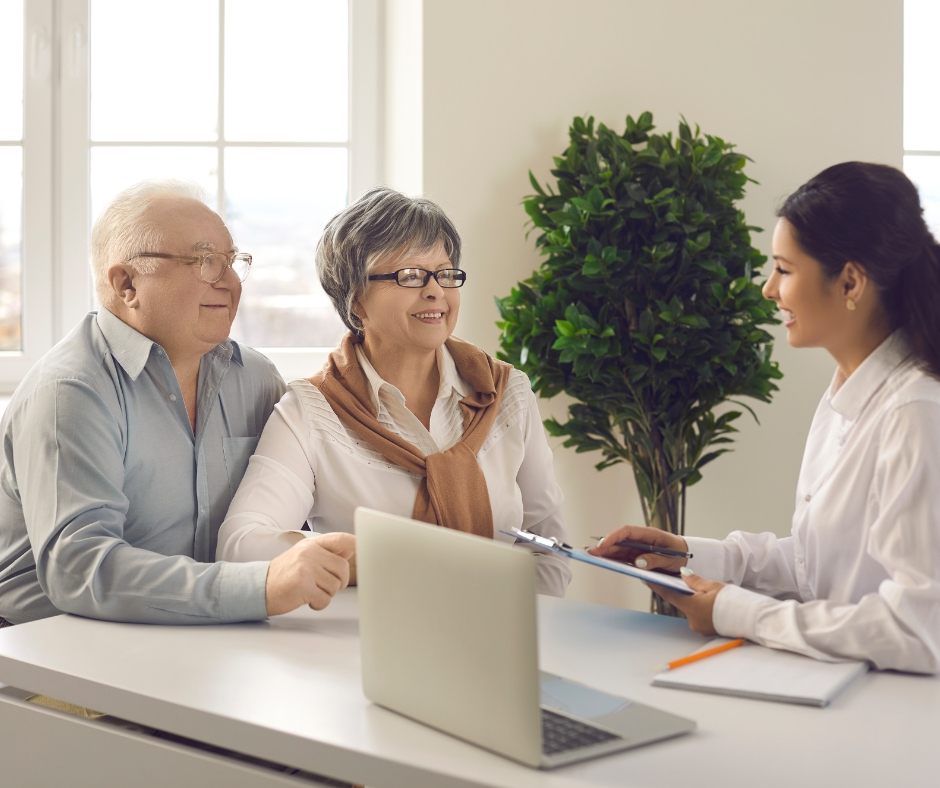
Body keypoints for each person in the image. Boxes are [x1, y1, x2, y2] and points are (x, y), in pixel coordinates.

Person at [591, 162, 940, 674]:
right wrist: (690, 556)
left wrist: (736, 612)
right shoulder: (848, 395)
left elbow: (918, 628)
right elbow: (818, 564)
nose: (768, 290)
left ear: (850, 282)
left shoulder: (914, 413)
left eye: (784, 268)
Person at [0, 180, 355, 628]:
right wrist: (261, 587)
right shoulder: (70, 391)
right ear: (126, 284)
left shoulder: (257, 380)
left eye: (231, 261)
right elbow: (81, 570)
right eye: (205, 261)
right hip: (54, 649)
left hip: (203, 635)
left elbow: (275, 522)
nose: (228, 282)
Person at [218, 187, 572, 596]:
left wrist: (527, 631)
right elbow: (240, 545)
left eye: (445, 273)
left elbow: (549, 547)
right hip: (363, 646)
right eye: (410, 275)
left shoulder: (508, 393)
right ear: (357, 304)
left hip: (507, 641)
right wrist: (372, 559)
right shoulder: (311, 410)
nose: (436, 290)